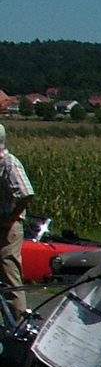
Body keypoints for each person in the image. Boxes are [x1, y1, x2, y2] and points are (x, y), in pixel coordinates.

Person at [0, 124, 34, 313]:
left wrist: (12, 217)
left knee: (9, 276)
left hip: (8, 227)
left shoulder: (9, 162)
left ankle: (18, 327)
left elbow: (26, 193)